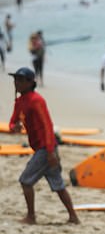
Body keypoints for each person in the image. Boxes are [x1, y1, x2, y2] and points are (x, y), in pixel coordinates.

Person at [8, 67, 79, 225]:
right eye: (15, 79)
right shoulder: (20, 101)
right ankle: (73, 217)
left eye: (20, 80)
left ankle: (31, 217)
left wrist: (50, 152)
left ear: (30, 83)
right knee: (58, 184)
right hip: (43, 149)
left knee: (25, 181)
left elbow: (48, 126)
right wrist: (15, 127)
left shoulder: (36, 100)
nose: (16, 83)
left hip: (45, 148)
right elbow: (12, 122)